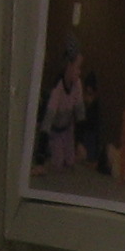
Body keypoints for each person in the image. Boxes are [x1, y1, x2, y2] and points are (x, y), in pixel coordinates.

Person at [41, 39, 90, 175]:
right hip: (55, 131)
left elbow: (80, 114)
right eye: (78, 67)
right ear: (69, 66)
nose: (79, 72)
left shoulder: (77, 84)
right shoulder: (57, 89)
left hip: (68, 128)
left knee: (70, 162)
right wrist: (40, 161)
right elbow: (46, 124)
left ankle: (68, 155)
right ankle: (50, 153)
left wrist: (80, 143)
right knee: (58, 165)